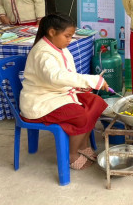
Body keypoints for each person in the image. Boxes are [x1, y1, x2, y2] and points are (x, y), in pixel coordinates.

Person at [19, 13, 110, 170]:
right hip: (41, 101)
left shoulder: (59, 47)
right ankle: (72, 154)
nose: (69, 40)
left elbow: (66, 75)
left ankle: (82, 144)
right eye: (67, 36)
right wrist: (91, 80)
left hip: (59, 93)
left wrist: (82, 86)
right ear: (52, 32)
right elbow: (55, 77)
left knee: (97, 102)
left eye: (71, 36)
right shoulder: (43, 53)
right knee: (80, 115)